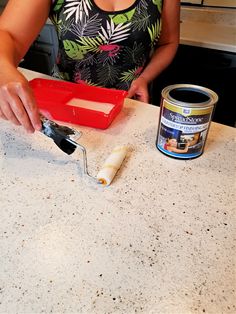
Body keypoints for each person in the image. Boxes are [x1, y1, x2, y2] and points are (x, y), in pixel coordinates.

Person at [0, 0, 180, 133]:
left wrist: (145, 78)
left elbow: (168, 42)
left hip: (130, 107)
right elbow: (8, 34)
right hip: (63, 109)